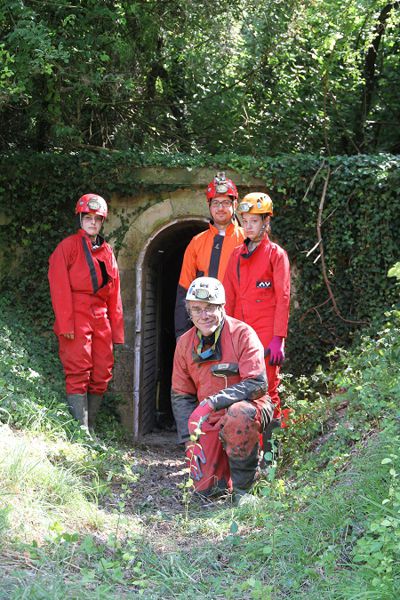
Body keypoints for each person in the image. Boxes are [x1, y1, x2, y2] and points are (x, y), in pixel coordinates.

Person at [171, 276, 273, 501]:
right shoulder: (185, 343)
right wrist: (189, 440)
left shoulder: (242, 334)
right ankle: (223, 476)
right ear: (189, 312)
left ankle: (244, 492)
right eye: (196, 309)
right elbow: (181, 394)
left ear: (222, 307)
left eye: (209, 308)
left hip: (249, 409)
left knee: (239, 414)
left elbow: (258, 384)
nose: (203, 315)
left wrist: (212, 402)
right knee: (205, 491)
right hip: (211, 418)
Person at [48, 193, 124, 428]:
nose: (93, 222)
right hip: (76, 311)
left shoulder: (107, 251)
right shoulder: (67, 247)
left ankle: (90, 428)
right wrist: (66, 324)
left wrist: (116, 331)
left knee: (102, 372)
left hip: (101, 315)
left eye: (97, 218)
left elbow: (115, 292)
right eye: (88, 217)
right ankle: (81, 432)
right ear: (80, 218)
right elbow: (59, 287)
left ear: (102, 222)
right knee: (78, 369)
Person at [223, 192, 290, 423]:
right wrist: (224, 335)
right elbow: (228, 297)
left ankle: (270, 453)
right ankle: (244, 451)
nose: (248, 226)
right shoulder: (236, 255)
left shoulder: (276, 255)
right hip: (239, 334)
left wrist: (278, 338)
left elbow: (283, 297)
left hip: (266, 336)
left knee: (268, 391)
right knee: (238, 390)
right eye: (245, 220)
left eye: (254, 221)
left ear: (266, 222)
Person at [174, 172, 245, 338]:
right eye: (216, 203)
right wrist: (182, 335)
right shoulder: (196, 243)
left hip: (239, 323)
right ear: (209, 206)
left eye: (226, 202)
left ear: (235, 205)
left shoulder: (247, 240)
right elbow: (184, 292)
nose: (220, 208)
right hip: (205, 325)